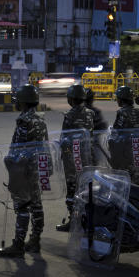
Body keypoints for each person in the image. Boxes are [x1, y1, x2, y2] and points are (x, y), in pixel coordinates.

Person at [0, 84, 51, 255]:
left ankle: (18, 245)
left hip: (24, 170)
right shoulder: (40, 119)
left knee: (22, 206)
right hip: (38, 167)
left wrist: (10, 165)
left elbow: (18, 149)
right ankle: (35, 240)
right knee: (36, 204)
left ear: (23, 102)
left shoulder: (24, 121)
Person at [56, 84, 94, 232]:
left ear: (71, 99)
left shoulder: (69, 115)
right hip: (87, 157)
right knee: (85, 187)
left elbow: (65, 139)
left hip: (73, 158)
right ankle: (85, 219)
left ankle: (74, 221)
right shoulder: (90, 113)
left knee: (72, 189)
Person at [110, 85, 139, 183]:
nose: (117, 100)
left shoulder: (122, 113)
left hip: (126, 148)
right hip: (138, 145)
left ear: (122, 99)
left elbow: (116, 130)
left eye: (118, 98)